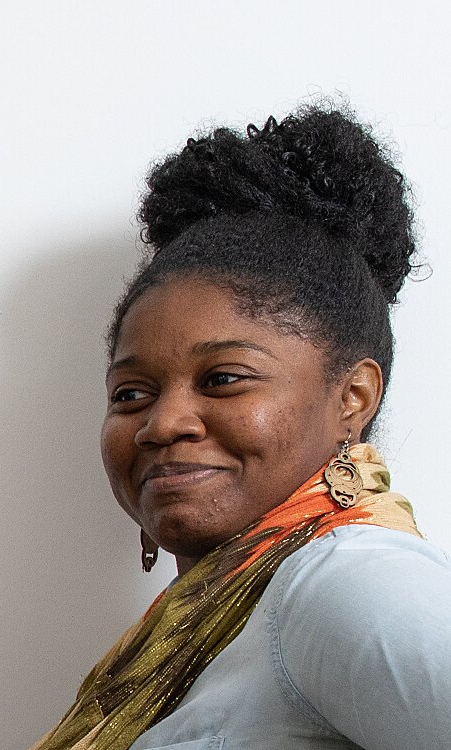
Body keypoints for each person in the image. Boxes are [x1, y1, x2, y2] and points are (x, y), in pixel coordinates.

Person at [35, 106, 451, 749]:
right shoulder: (222, 621)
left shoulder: (348, 586)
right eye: (131, 393)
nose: (162, 424)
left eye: (224, 379)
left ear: (353, 395)